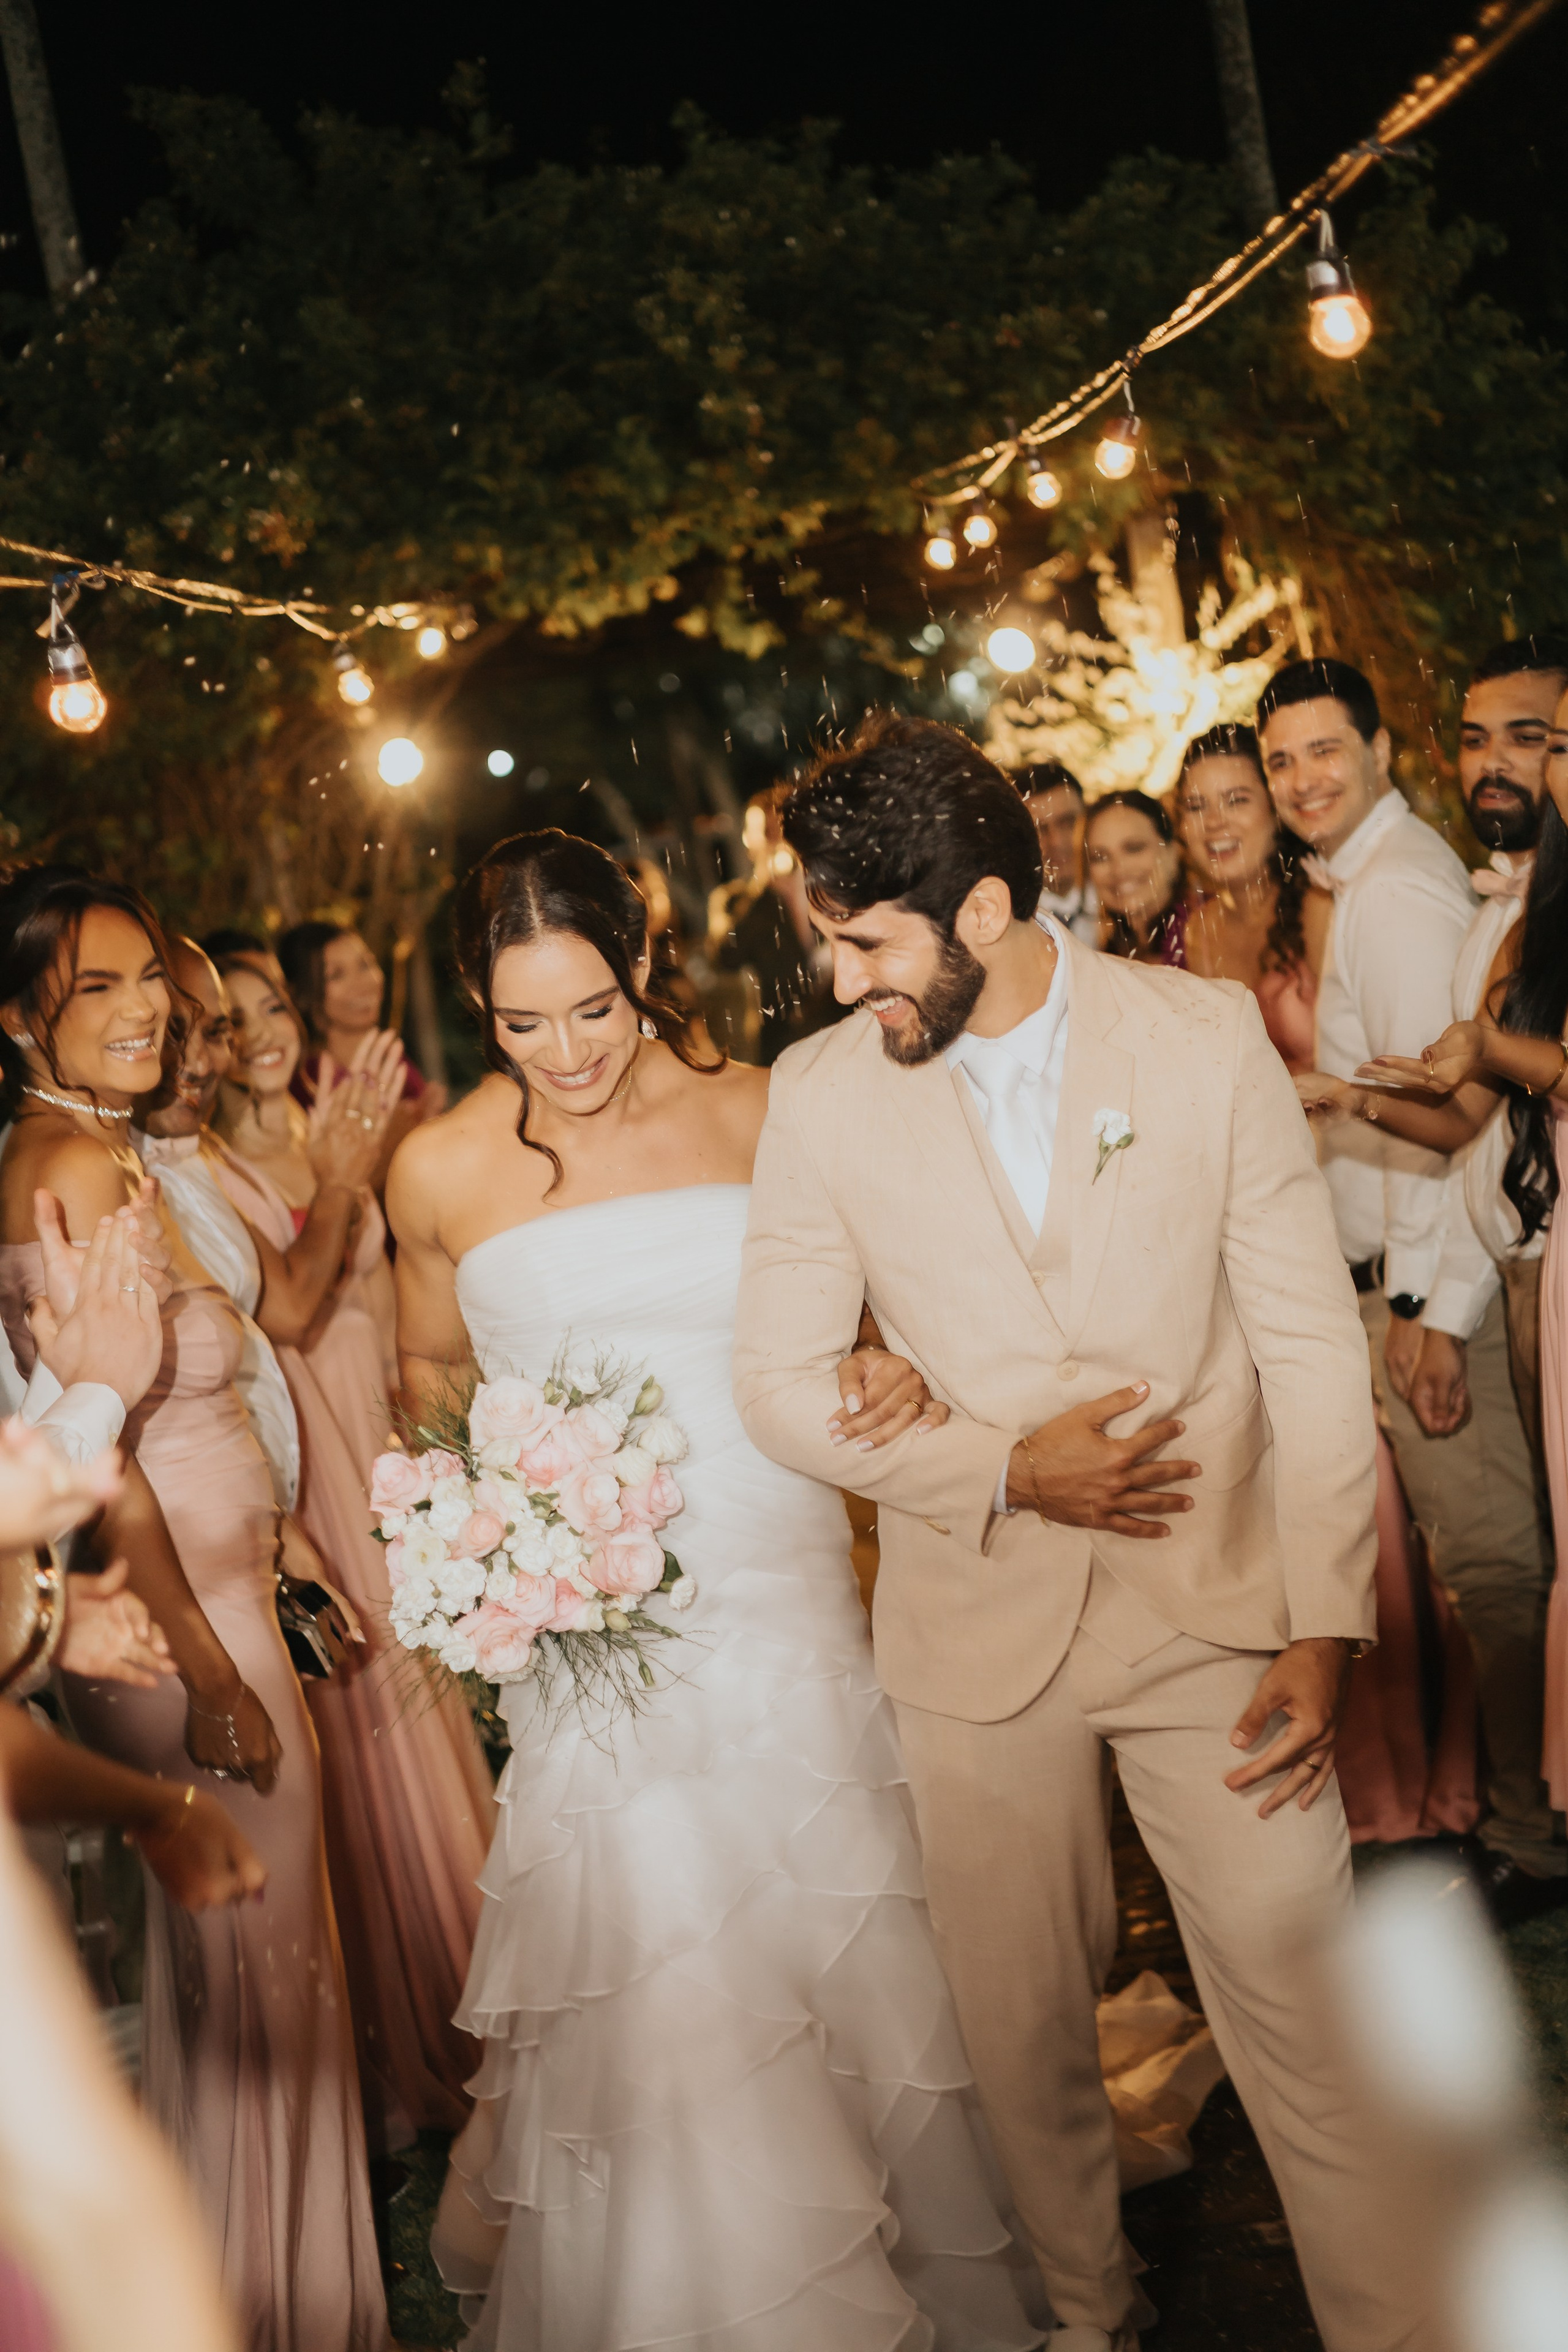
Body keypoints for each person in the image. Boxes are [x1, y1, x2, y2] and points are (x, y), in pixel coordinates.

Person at [734, 714, 1409, 2352]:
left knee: (1311, 2013)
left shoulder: (1200, 1036)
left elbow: (1308, 1345)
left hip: (1219, 1614)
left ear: (981, 909)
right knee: (1019, 2030)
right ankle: (1087, 2319)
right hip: (974, 1633)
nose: (839, 980)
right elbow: (774, 1382)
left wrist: (1325, 1619)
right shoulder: (819, 1094)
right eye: (828, 941)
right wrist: (997, 1470)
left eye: (865, 942)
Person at [388, 831, 1048, 2350]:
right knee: (649, 1919)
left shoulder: (766, 1108)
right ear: (478, 1009)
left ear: (644, 964)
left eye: (593, 1008)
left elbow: (876, 1305)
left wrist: (882, 1361)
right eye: (522, 1022)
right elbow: (426, 1370)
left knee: (829, 1886)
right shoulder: (435, 1170)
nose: (566, 1052)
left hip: (773, 1567)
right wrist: (469, 1519)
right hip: (582, 1621)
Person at [0, 866, 387, 2352]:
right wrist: (216, 1666)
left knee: (255, 1978)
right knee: (260, 1986)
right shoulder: (68, 1167)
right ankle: (267, 2310)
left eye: (149, 979)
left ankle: (282, 2294)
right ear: (18, 1019)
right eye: (95, 988)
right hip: (173, 1625)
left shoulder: (111, 1147)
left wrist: (275, 1547)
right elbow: (97, 1461)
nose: (146, 1010)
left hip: (221, 1587)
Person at [172, 937, 494, 2146]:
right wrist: (344, 1179)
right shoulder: (209, 1170)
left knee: (429, 1724)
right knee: (363, 1743)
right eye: (232, 1018)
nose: (257, 1035)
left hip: (370, 1443)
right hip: (306, 1467)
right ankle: (400, 2027)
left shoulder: (322, 1126)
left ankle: (467, 1982)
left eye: (267, 1011)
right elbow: (290, 1315)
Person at [1264, 656, 1557, 1923]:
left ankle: (1532, 1838)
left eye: (1324, 750)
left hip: (1440, 1287)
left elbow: (1461, 1127)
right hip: (1413, 1280)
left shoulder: (1394, 894)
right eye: (1280, 761)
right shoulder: (1365, 883)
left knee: (1494, 1573)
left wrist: (1426, 1310)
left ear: (1380, 752)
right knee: (1481, 1571)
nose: (1300, 781)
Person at [1172, 725, 1329, 1069]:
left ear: (1275, 810)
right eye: (1196, 807)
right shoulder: (1199, 932)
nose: (1214, 822)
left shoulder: (1320, 905)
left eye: (1237, 800)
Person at [709, 785, 840, 1062]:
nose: (779, 841)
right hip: (782, 1042)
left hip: (837, 1029)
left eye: (785, 831)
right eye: (769, 833)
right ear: (752, 841)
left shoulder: (830, 892)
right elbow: (726, 957)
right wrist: (765, 887)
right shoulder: (740, 901)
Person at [1082, 790, 1183, 960]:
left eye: (1134, 848)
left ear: (1172, 853)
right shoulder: (1098, 951)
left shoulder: (1207, 935)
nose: (1119, 870)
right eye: (1100, 857)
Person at [1015, 761, 1099, 944]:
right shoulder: (1010, 919)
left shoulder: (1121, 900)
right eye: (1038, 829)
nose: (1056, 842)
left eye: (1068, 823)